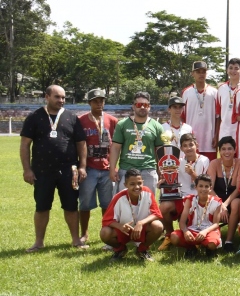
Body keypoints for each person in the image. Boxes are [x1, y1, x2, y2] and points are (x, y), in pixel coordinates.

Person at [20, 84, 88, 252]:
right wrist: (27, 170)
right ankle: (38, 242)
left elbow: (81, 144)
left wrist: (82, 166)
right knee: (42, 206)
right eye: (57, 97)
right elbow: (24, 145)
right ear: (47, 97)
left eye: (63, 97)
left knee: (71, 206)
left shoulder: (72, 118)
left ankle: (75, 240)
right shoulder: (34, 117)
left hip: (68, 171)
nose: (61, 100)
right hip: (42, 171)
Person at [77, 88, 118, 248]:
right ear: (89, 103)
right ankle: (84, 234)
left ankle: (105, 231)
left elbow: (116, 145)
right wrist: (80, 166)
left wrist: (113, 166)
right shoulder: (81, 121)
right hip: (89, 169)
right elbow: (78, 144)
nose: (99, 103)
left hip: (107, 168)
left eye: (101, 100)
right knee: (85, 203)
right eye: (95, 101)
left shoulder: (112, 121)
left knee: (107, 204)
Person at [157, 133, 210, 248]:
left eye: (191, 145)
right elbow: (172, 180)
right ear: (181, 148)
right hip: (181, 197)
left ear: (197, 145)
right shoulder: (178, 162)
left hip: (199, 197)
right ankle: (169, 235)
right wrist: (164, 181)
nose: (188, 148)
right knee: (164, 207)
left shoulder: (204, 160)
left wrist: (192, 173)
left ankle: (197, 236)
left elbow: (205, 184)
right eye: (185, 146)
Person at [100, 168, 164, 261]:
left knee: (158, 226)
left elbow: (157, 214)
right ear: (125, 185)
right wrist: (120, 226)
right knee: (105, 233)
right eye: (132, 184)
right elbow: (106, 220)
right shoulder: (118, 197)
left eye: (139, 183)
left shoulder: (147, 193)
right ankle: (120, 250)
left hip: (141, 230)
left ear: (143, 182)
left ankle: (142, 250)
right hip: (124, 231)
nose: (137, 187)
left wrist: (141, 223)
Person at [109, 91, 164, 193]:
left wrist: (160, 170)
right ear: (133, 107)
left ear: (149, 107)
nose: (142, 107)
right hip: (126, 170)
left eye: (145, 105)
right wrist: (112, 168)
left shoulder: (157, 126)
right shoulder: (122, 124)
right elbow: (116, 147)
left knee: (147, 204)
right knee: (125, 203)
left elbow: (159, 151)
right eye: (139, 105)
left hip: (148, 170)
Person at [169, 173, 224, 258]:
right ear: (196, 187)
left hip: (208, 230)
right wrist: (185, 231)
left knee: (212, 244)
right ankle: (191, 248)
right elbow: (182, 222)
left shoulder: (217, 202)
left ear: (210, 188)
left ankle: (209, 248)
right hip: (192, 230)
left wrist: (205, 232)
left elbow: (216, 224)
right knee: (174, 237)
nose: (203, 189)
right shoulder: (190, 200)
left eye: (206, 186)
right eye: (201, 186)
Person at [207, 136, 240, 252]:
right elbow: (209, 188)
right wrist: (220, 204)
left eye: (229, 149)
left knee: (235, 204)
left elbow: (238, 189)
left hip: (233, 198)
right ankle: (211, 238)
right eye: (223, 149)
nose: (226, 152)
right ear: (219, 151)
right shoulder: (214, 163)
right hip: (216, 197)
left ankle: (229, 241)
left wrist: (225, 204)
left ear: (234, 150)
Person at [181, 60, 218, 160]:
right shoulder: (186, 92)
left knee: (208, 171)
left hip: (209, 140)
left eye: (203, 72)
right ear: (193, 73)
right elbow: (182, 117)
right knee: (191, 169)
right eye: (198, 72)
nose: (201, 74)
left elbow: (218, 117)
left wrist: (216, 135)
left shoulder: (214, 92)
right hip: (190, 141)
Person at [217, 58, 240, 146]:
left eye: (236, 68)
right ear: (227, 70)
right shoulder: (221, 88)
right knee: (226, 157)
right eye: (230, 68)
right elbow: (219, 113)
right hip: (225, 130)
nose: (233, 71)